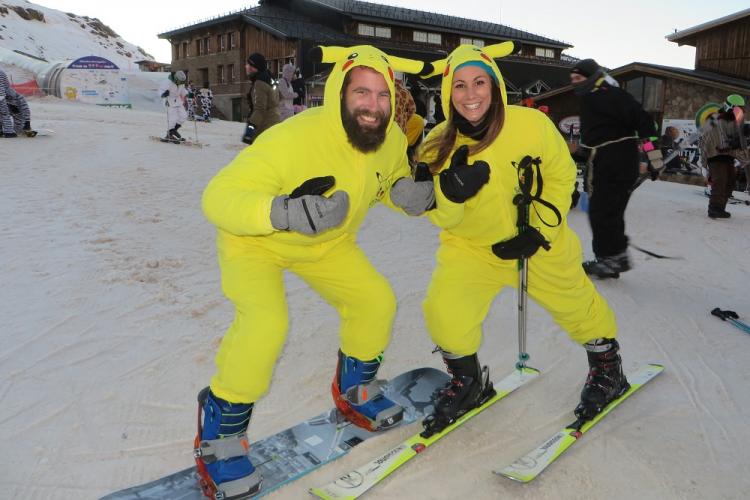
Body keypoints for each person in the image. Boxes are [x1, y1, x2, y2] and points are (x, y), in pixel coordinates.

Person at [195, 45, 434, 498]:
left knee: (375, 301)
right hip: (256, 243)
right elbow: (218, 196)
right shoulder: (294, 138)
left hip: (326, 243)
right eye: (361, 92)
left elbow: (389, 178)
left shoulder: (392, 139)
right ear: (340, 93)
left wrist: (407, 194)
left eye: (383, 95)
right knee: (266, 324)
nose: (373, 105)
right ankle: (220, 430)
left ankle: (354, 390)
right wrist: (281, 212)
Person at [405, 42, 627, 434]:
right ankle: (469, 381)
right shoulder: (437, 144)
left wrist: (538, 230)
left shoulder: (530, 124)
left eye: (479, 82)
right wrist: (451, 196)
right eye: (459, 85)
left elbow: (560, 176)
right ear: (446, 92)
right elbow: (440, 215)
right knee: (444, 312)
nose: (470, 95)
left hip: (537, 244)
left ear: (494, 86)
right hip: (472, 247)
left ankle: (608, 367)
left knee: (577, 305)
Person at [569, 58, 658, 279]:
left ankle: (611, 259)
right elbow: (597, 136)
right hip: (603, 159)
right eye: (572, 79)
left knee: (603, 212)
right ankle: (612, 258)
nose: (575, 83)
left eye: (579, 78)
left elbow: (646, 126)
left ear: (592, 77)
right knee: (606, 212)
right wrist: (580, 152)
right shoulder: (591, 98)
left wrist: (655, 158)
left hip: (617, 161)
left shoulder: (613, 95)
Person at [698, 95, 748, 219]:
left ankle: (720, 208)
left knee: (730, 181)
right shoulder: (715, 119)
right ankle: (714, 208)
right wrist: (703, 162)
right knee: (720, 181)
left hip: (728, 157)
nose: (740, 113)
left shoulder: (734, 123)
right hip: (715, 156)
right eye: (738, 110)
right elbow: (707, 139)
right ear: (730, 108)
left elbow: (738, 140)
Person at [242, 52, 279, 145]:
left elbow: (260, 109)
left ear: (254, 67)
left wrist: (249, 130)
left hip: (265, 126)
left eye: (248, 64)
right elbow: (279, 97)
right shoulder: (269, 79)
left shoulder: (259, 83)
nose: (245, 66)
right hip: (274, 123)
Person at [0, 66, 33, 138]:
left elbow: (25, 110)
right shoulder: (16, 97)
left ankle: (14, 130)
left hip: (12, 103)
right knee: (5, 114)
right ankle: (9, 131)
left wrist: (27, 124)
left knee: (7, 115)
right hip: (7, 100)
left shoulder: (17, 97)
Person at [158, 71, 188, 141]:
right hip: (169, 100)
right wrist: (163, 94)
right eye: (180, 81)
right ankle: (169, 133)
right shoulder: (167, 82)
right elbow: (160, 90)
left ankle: (173, 131)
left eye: (182, 82)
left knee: (184, 116)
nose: (181, 83)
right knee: (173, 118)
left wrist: (188, 95)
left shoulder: (181, 84)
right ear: (176, 79)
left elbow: (183, 91)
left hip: (178, 101)